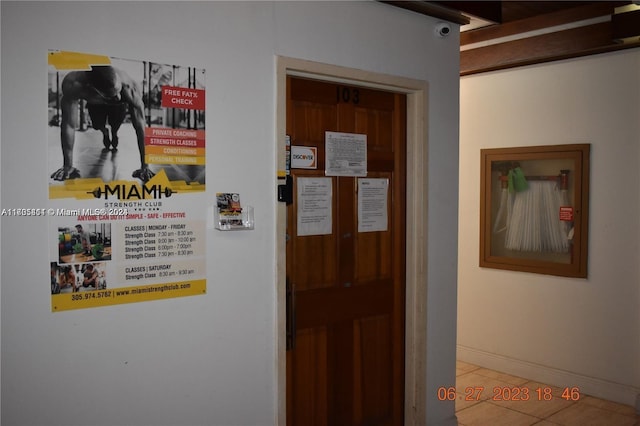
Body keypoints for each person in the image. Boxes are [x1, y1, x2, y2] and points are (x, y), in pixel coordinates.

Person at [50, 65, 154, 182]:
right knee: (97, 125)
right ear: (91, 88)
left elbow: (141, 128)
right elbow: (68, 124)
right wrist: (67, 166)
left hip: (118, 105)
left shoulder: (130, 87)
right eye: (113, 94)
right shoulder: (74, 83)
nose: (118, 96)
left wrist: (145, 166)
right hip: (96, 103)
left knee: (115, 124)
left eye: (117, 91)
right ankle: (105, 132)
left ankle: (114, 132)